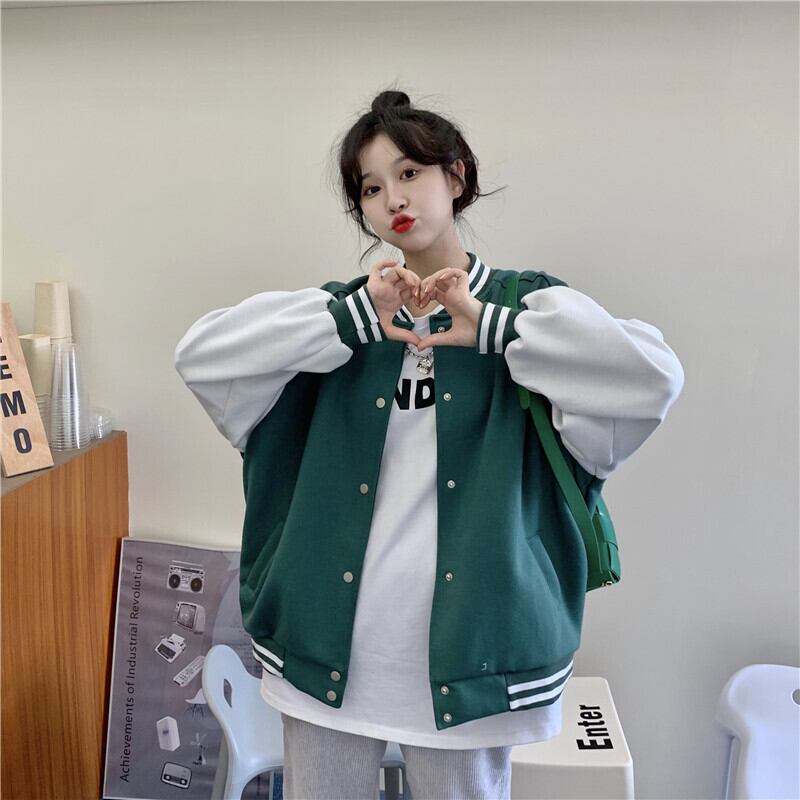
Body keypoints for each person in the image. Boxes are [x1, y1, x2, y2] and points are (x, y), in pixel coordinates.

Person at [174, 88, 685, 800]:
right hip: (327, 653)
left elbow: (652, 377)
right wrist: (352, 317)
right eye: (370, 187)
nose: (393, 199)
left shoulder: (526, 307)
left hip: (474, 660)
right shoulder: (338, 318)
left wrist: (495, 327)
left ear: (457, 175)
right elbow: (200, 357)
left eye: (410, 172)